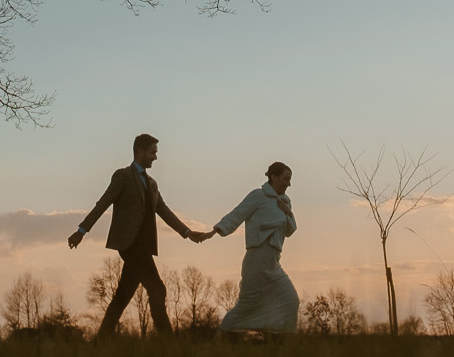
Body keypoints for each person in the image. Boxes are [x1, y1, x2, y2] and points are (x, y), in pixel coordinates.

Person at [68, 132, 205, 336]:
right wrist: (81, 230)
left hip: (145, 246)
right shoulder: (123, 176)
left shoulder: (152, 183)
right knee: (157, 289)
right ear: (140, 151)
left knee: (122, 296)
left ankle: (100, 341)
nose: (156, 157)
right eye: (152, 152)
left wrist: (187, 232)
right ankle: (169, 343)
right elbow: (103, 203)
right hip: (130, 246)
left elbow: (164, 210)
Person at [206, 161, 299, 335]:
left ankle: (279, 344)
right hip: (256, 262)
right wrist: (215, 230)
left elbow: (289, 231)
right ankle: (220, 340)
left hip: (274, 264)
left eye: (290, 180)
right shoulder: (258, 196)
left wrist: (287, 212)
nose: (289, 183)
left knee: (290, 300)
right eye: (286, 179)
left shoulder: (286, 202)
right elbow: (238, 214)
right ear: (274, 177)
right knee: (245, 306)